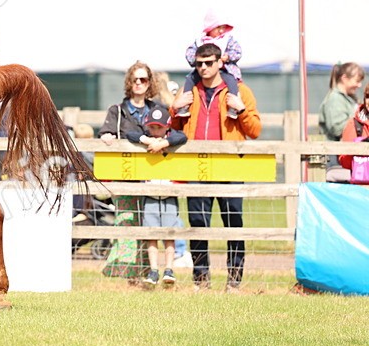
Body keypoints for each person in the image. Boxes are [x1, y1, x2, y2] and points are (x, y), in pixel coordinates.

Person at [170, 42, 262, 291]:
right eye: (199, 63)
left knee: (233, 224)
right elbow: (173, 128)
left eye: (209, 63)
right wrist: (174, 109)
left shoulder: (240, 91)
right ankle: (201, 281)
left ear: (220, 62)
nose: (203, 68)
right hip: (196, 166)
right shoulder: (188, 91)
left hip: (229, 167)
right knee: (198, 224)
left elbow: (255, 130)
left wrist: (241, 110)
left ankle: (234, 281)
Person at [99, 61, 165, 282]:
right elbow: (106, 132)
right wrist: (107, 136)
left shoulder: (157, 110)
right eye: (135, 79)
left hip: (152, 176)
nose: (138, 83)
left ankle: (147, 271)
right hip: (124, 176)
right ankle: (126, 273)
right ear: (129, 82)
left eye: (143, 79)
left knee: (149, 222)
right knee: (126, 221)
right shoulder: (117, 111)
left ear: (149, 83)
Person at [136, 107, 188, 289]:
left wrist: (163, 143)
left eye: (159, 127)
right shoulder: (146, 139)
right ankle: (153, 270)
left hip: (168, 194)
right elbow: (130, 134)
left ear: (167, 127)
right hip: (150, 194)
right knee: (151, 234)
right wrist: (146, 140)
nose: (155, 131)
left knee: (169, 234)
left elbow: (183, 137)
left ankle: (169, 269)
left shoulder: (172, 139)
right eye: (152, 127)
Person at [174, 11, 241, 117]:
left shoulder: (227, 40)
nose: (221, 31)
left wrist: (227, 57)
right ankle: (184, 106)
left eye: (223, 28)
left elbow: (237, 51)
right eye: (218, 28)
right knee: (190, 79)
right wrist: (197, 59)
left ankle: (233, 107)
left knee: (232, 81)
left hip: (224, 70)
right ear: (210, 27)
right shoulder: (200, 41)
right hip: (201, 73)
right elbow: (189, 53)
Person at [320, 62, 365, 181]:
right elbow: (337, 128)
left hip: (344, 153)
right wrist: (359, 122)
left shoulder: (349, 99)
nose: (359, 85)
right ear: (344, 78)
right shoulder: (335, 99)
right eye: (357, 81)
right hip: (335, 156)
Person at [337, 84, 369, 183]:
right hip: (363, 187)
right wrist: (359, 150)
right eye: (368, 96)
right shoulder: (354, 125)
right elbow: (344, 160)